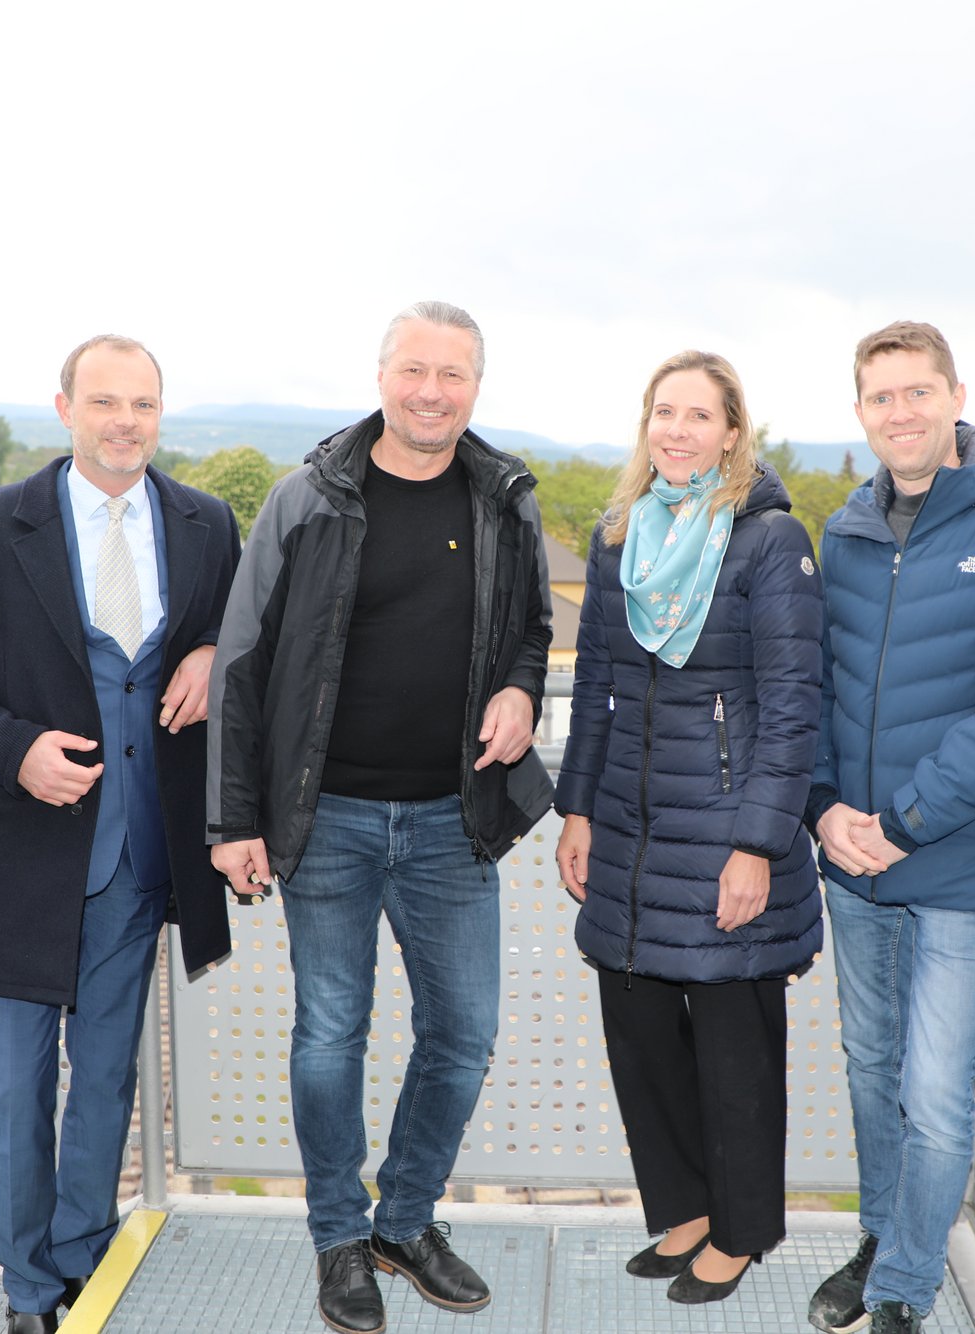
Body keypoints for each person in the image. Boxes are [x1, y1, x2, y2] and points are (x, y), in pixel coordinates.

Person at [207, 301, 555, 1334]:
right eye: (414, 369)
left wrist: (524, 691)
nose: (430, 391)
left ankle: (403, 1219)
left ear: (474, 388)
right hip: (329, 820)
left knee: (463, 1031)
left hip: (454, 818)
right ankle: (336, 1238)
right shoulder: (308, 497)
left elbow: (534, 626)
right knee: (329, 1031)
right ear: (381, 375)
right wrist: (234, 816)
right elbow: (241, 660)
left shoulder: (503, 500)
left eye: (452, 374)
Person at [0, 335, 241, 1334]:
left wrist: (218, 651)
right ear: (63, 408)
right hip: (20, 861)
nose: (124, 421)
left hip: (141, 859)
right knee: (16, 1093)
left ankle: (83, 1256)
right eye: (104, 401)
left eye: (142, 402)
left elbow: (245, 634)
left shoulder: (205, 521)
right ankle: (24, 1288)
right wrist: (14, 751)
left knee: (102, 1081)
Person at [803, 321, 975, 1334]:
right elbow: (818, 688)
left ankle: (901, 1288)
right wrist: (825, 808)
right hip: (854, 862)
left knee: (932, 1089)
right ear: (860, 412)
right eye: (880, 397)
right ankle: (883, 1235)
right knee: (872, 1068)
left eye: (917, 392)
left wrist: (906, 819)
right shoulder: (844, 530)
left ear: (955, 395)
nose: (901, 412)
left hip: (961, 861)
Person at [554, 351, 824, 1307]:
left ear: (732, 434)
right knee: (638, 1026)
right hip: (627, 828)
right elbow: (594, 685)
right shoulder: (620, 532)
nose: (677, 430)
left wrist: (758, 842)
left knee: (730, 1037)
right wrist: (575, 807)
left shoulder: (768, 540)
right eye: (663, 413)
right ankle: (684, 1209)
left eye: (698, 416)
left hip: (724, 829)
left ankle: (743, 1230)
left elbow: (795, 707)